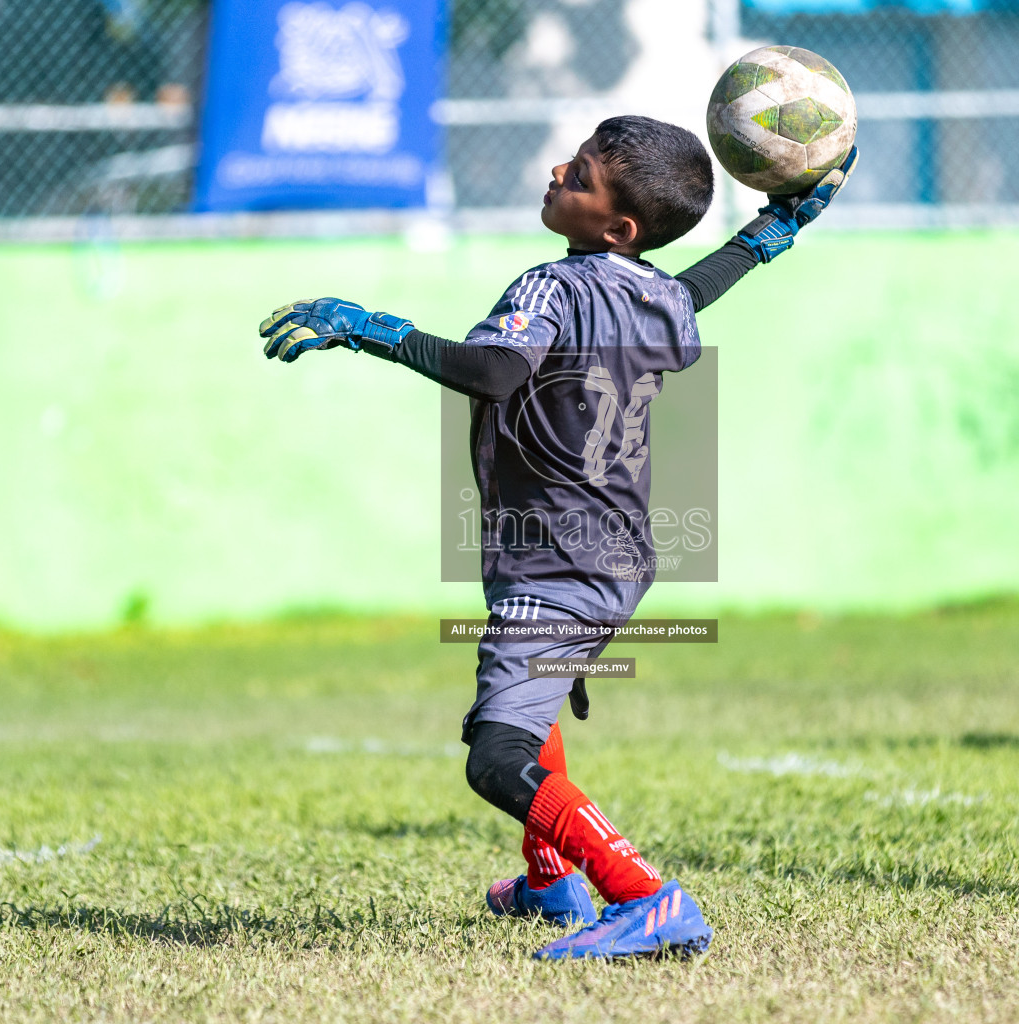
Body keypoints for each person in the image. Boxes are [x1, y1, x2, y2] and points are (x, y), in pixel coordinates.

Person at [258, 116, 856, 960]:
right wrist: (771, 233)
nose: (556, 172)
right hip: (610, 556)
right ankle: (552, 882)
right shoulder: (657, 299)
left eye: (577, 175)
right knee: (533, 711)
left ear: (615, 227)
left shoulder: (551, 285)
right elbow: (697, 287)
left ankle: (646, 897)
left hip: (555, 562)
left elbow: (493, 372)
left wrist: (373, 328)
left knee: (497, 761)